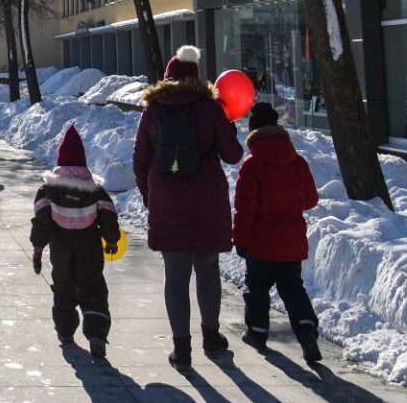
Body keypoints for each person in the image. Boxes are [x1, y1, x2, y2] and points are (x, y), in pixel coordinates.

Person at [133, 45, 244, 369]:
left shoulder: (153, 109)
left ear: (167, 77)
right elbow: (233, 155)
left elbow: (140, 159)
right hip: (207, 201)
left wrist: (149, 195)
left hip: (168, 203)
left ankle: (182, 349)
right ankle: (211, 336)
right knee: (208, 270)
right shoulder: (210, 108)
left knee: (176, 278)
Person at [232, 102, 322, 362]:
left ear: (253, 132)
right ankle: (306, 329)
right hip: (291, 242)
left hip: (260, 243)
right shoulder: (297, 162)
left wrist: (241, 240)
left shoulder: (251, 165)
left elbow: (244, 209)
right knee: (293, 288)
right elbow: (311, 199)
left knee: (257, 289)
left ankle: (257, 332)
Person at [31, 125, 121, 358]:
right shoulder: (96, 192)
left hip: (60, 248)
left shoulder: (47, 191)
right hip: (89, 246)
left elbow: (41, 223)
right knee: (93, 288)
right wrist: (112, 240)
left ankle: (65, 331)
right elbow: (109, 216)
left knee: (63, 289)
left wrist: (38, 250)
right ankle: (97, 333)